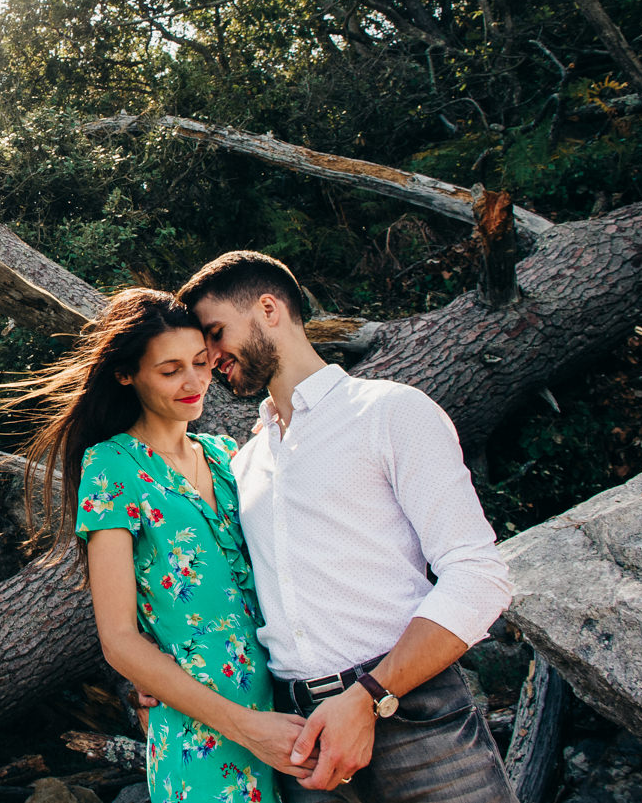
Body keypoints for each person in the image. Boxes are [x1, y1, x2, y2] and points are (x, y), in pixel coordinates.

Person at [176, 251, 517, 803]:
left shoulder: (390, 412)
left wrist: (367, 698)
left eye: (215, 334)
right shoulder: (243, 464)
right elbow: (241, 605)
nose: (210, 359)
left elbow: (479, 575)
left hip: (414, 718)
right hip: (300, 738)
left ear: (268, 309)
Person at [0, 288, 316, 803]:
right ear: (127, 375)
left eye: (200, 362)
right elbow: (120, 641)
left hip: (290, 714)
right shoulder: (113, 467)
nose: (194, 382)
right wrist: (244, 727)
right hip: (206, 734)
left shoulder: (227, 457)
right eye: (170, 370)